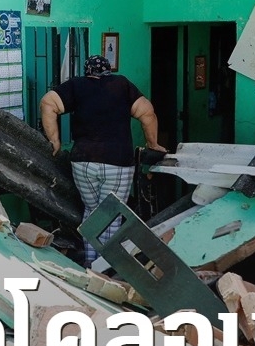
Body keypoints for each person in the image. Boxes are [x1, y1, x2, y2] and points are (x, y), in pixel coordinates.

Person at [40, 55, 165, 267]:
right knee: (111, 215)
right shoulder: (121, 85)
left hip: (83, 162)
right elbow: (147, 113)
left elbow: (48, 103)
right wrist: (153, 143)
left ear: (87, 71)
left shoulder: (77, 86)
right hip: (118, 163)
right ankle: (105, 268)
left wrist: (55, 140)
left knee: (92, 212)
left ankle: (92, 264)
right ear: (108, 70)